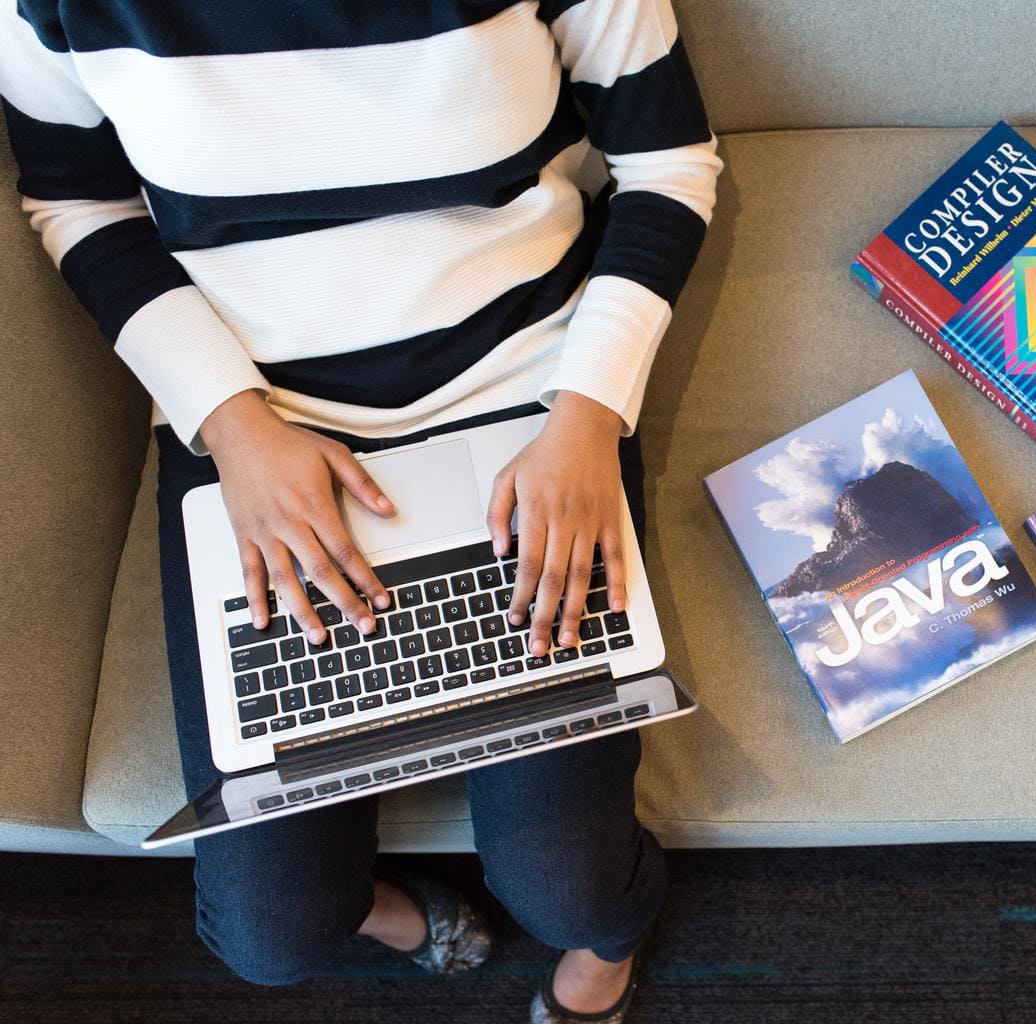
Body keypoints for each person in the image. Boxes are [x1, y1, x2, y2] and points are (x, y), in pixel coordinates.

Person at [1, 1, 720, 1019]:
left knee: (570, 882)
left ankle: (613, 937)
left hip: (527, 399)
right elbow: (78, 202)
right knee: (270, 933)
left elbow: (667, 163)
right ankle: (392, 912)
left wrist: (589, 415)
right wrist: (234, 427)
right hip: (256, 423)